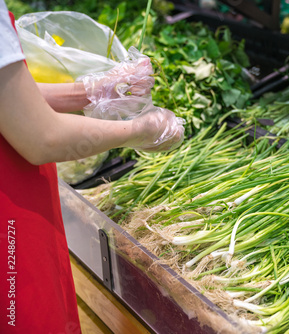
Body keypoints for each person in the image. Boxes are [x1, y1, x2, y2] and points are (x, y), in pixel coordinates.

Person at [0, 1, 185, 333]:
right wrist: (140, 130)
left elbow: (12, 97)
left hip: (15, 193)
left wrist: (93, 91)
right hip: (8, 218)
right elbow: (43, 138)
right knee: (22, 310)